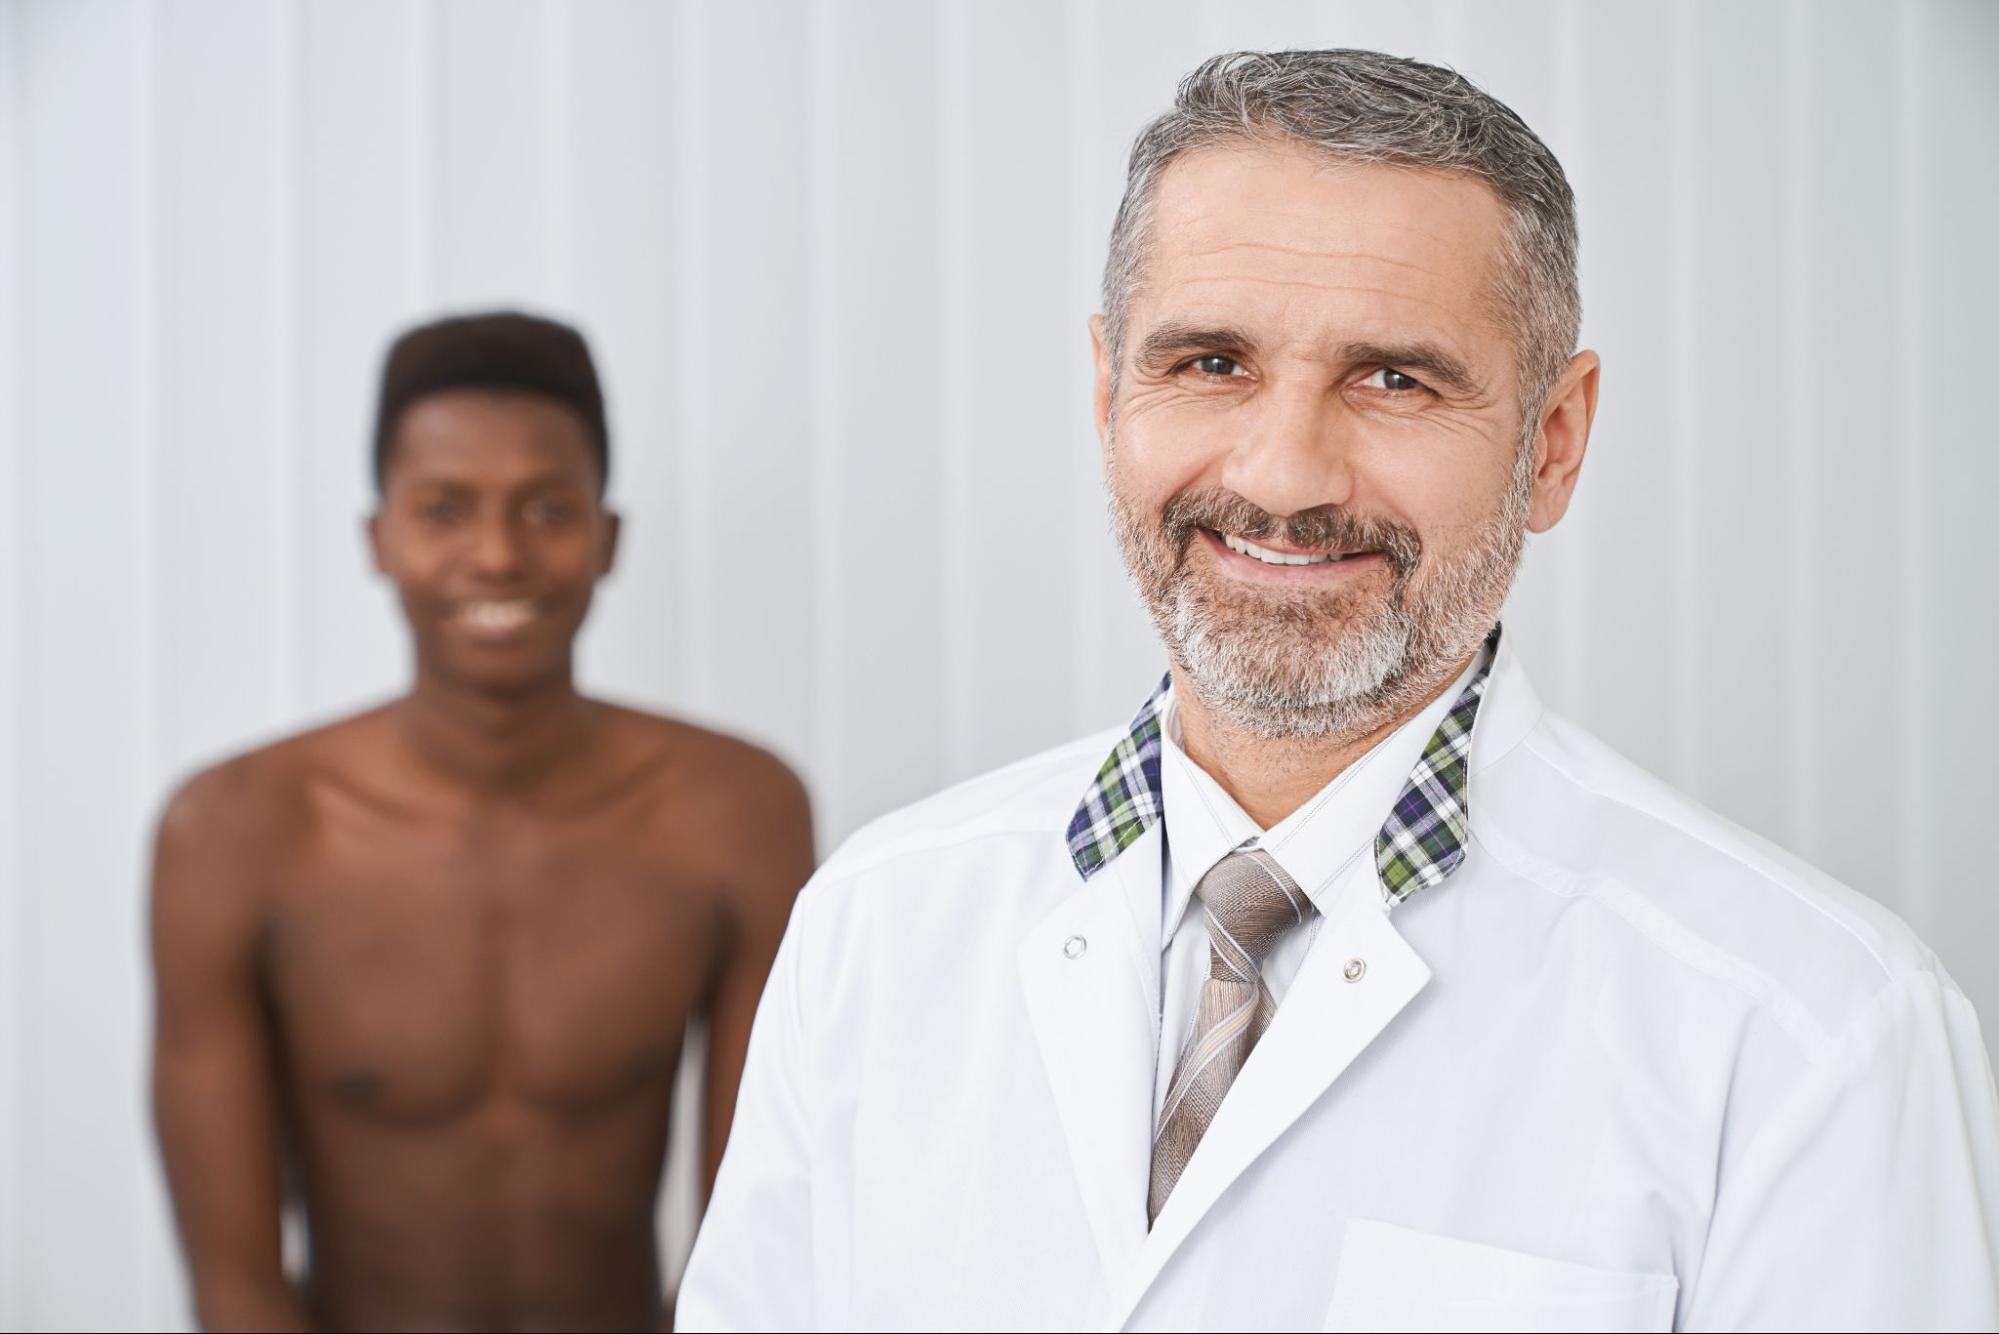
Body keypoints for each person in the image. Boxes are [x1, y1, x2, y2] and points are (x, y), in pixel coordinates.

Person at [677, 50, 1999, 1332]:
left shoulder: (1813, 1032)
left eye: (1393, 378)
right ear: (1104, 390)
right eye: (1208, 362)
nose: (1283, 475)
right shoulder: (876, 921)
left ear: (1552, 441)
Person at [150, 312, 813, 1332]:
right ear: (380, 538)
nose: (497, 554)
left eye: (547, 508)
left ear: (607, 536)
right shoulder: (237, 830)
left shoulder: (734, 814)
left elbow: (758, 1235)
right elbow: (234, 1281)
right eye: (445, 508)